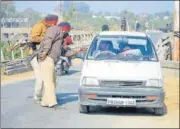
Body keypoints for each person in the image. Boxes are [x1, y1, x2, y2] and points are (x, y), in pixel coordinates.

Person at [7, 14, 59, 103]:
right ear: (53, 21)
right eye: (56, 21)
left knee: (49, 77)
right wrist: (46, 38)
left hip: (44, 55)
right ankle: (37, 96)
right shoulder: (39, 26)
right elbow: (33, 38)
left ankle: (46, 96)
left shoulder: (50, 28)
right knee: (41, 78)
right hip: (35, 55)